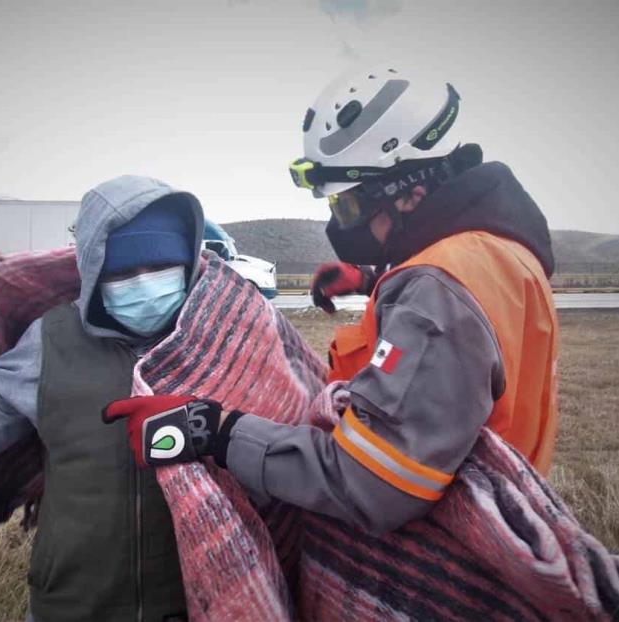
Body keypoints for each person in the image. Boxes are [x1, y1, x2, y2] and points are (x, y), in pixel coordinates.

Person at [104, 67, 559, 535]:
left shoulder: (435, 292)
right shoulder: (501, 252)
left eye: (347, 207)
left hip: (449, 553)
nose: (341, 224)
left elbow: (371, 484)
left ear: (411, 195)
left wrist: (214, 430)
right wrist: (369, 279)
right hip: (505, 516)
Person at [0, 176, 205, 622]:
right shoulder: (52, 341)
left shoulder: (221, 338)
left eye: (161, 267)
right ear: (92, 270)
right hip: (72, 606)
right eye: (123, 272)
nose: (144, 285)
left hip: (200, 606)